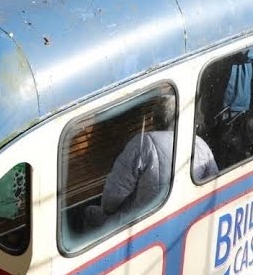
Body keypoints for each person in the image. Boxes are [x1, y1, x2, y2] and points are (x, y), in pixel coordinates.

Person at [83, 96, 217, 232]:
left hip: (140, 224)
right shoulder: (199, 143)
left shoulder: (144, 143)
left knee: (89, 213)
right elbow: (212, 185)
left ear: (154, 119)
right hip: (185, 217)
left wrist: (108, 209)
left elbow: (111, 199)